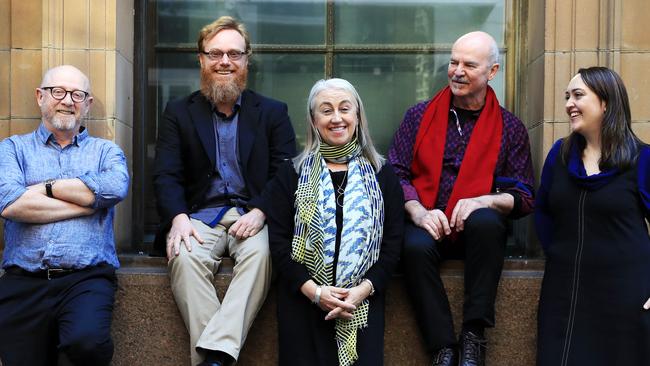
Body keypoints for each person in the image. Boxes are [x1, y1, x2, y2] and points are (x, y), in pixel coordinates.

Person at [153, 16, 296, 366]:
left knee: (262, 257)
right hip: (199, 215)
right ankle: (218, 357)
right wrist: (178, 218)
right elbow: (166, 174)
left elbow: (287, 173)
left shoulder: (273, 113)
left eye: (234, 53)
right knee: (184, 259)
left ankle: (212, 357)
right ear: (201, 60)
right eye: (215, 53)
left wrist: (262, 211)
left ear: (247, 60)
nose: (225, 62)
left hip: (253, 215)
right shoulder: (178, 112)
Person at [387, 31, 534, 366]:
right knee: (412, 246)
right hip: (428, 221)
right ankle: (442, 347)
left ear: (492, 72)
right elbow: (395, 173)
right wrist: (419, 211)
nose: (457, 70)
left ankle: (473, 335)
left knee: (486, 222)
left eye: (469, 64)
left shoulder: (511, 128)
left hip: (478, 235)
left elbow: (525, 196)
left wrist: (486, 200)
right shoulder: (418, 116)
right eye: (454, 62)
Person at [265, 78, 404, 366]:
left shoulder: (382, 174)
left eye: (345, 108)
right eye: (326, 110)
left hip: (361, 305)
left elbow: (393, 245)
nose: (337, 118)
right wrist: (315, 292)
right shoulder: (291, 173)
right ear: (314, 120)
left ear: (357, 116)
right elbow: (278, 243)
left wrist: (360, 291)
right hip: (303, 303)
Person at [0, 65, 130, 366]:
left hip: (86, 278)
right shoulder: (12, 149)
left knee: (87, 343)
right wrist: (87, 203)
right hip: (24, 280)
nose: (67, 100)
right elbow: (9, 203)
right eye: (58, 91)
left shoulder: (105, 152)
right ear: (40, 97)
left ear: (88, 104)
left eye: (77, 94)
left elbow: (114, 188)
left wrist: (44, 188)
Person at [535, 67, 650, 365]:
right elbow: (543, 213)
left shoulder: (642, 159)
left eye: (578, 95)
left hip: (625, 295)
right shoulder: (559, 155)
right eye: (566, 96)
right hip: (565, 295)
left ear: (606, 103)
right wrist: (562, 255)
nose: (568, 104)